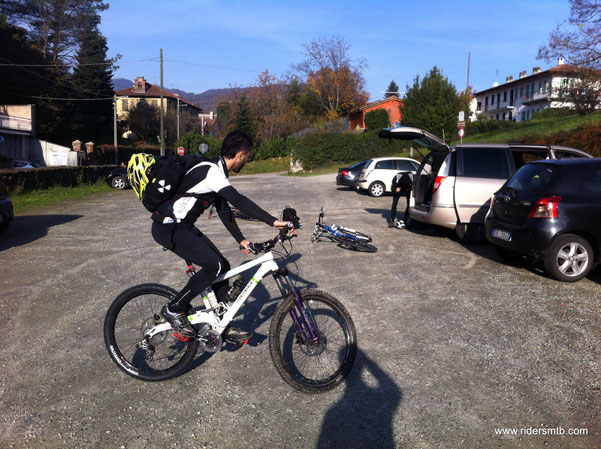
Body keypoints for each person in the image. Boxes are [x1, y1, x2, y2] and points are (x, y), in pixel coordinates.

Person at [151, 130, 292, 340]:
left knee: (222, 266)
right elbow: (239, 201)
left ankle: (221, 324)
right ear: (241, 154)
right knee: (213, 266)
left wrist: (241, 240)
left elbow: (224, 210)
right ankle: (174, 309)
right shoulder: (212, 172)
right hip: (169, 227)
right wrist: (273, 221)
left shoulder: (216, 170)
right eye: (247, 156)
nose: (246, 160)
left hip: (183, 226)